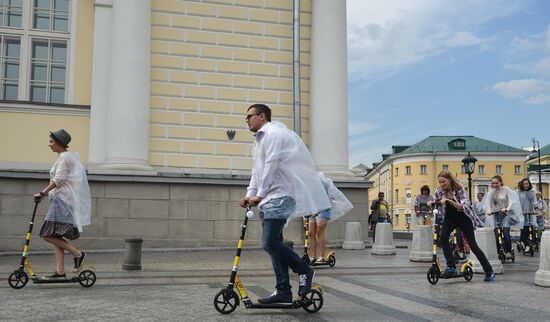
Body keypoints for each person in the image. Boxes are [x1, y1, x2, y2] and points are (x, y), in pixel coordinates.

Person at [239, 104, 330, 304]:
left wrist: (259, 195)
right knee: (275, 245)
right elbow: (257, 171)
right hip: (269, 199)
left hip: (280, 196)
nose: (246, 120)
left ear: (262, 116)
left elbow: (272, 164)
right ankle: (283, 291)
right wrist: (250, 194)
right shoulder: (259, 140)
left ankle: (305, 270)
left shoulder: (273, 134)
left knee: (269, 243)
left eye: (249, 116)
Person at [33, 129, 91, 279]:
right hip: (59, 200)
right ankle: (60, 272)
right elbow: (57, 180)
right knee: (55, 235)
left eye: (51, 141)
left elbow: (58, 181)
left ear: (59, 143)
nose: (49, 144)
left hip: (62, 201)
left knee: (47, 234)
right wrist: (45, 196)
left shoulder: (65, 159)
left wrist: (42, 193)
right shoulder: (63, 158)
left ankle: (78, 254)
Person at [427, 171, 495, 282]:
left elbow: (464, 206)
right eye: (440, 182)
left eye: (443, 181)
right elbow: (437, 202)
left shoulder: (459, 189)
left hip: (464, 218)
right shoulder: (439, 191)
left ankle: (489, 271)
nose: (442, 184)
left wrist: (449, 201)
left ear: (450, 179)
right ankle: (451, 267)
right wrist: (431, 204)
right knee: (443, 238)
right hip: (449, 219)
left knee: (473, 246)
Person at [308, 172, 353, 264]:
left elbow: (330, 197)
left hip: (323, 209)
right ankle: (313, 257)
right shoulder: (308, 184)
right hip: (312, 210)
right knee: (310, 233)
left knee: (319, 232)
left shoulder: (323, 182)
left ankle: (321, 257)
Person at [483, 175, 523, 260]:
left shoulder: (506, 190)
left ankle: (508, 251)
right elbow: (489, 203)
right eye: (493, 183)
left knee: (505, 231)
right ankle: (498, 251)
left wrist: (507, 208)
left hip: (506, 214)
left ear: (500, 182)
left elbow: (512, 200)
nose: (494, 185)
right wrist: (489, 210)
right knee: (496, 233)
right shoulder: (491, 192)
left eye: (496, 183)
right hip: (496, 213)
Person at [517, 178, 538, 253]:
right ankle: (525, 244)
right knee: (524, 229)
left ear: (529, 184)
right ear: (522, 184)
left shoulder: (532, 192)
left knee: (531, 229)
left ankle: (529, 244)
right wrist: (519, 210)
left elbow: (534, 201)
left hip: (530, 213)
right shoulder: (519, 192)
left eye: (527, 184)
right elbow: (516, 201)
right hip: (522, 213)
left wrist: (535, 209)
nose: (526, 185)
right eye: (524, 184)